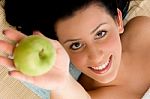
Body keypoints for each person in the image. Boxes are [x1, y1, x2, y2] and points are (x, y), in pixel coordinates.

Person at [1, 0, 150, 98]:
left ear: (118, 20)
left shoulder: (143, 30)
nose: (96, 57)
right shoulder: (78, 91)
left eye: (101, 33)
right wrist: (62, 84)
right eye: (76, 45)